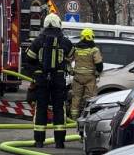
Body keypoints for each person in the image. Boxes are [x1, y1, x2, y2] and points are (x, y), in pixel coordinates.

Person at [25, 13, 73, 149]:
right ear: (59, 24)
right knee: (59, 109)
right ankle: (59, 142)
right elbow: (72, 55)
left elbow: (28, 58)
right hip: (58, 80)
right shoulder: (64, 40)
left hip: (41, 80)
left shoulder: (39, 40)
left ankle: (39, 141)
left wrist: (35, 73)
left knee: (41, 109)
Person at [70, 28, 104, 120]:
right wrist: (98, 72)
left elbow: (67, 60)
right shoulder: (94, 50)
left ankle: (74, 118)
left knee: (76, 98)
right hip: (90, 78)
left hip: (77, 77)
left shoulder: (76, 49)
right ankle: (88, 118)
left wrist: (71, 70)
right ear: (91, 37)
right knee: (90, 99)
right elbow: (99, 65)